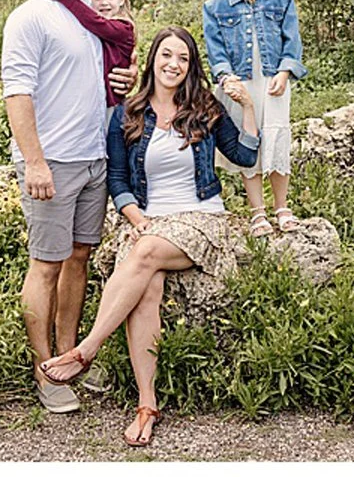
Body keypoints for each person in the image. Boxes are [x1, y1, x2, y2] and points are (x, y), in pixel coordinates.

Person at [40, 26, 259, 447]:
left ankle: (85, 351)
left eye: (183, 58)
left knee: (144, 256)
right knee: (148, 284)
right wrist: (137, 219)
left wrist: (247, 107)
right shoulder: (127, 113)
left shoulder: (206, 108)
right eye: (166, 56)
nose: (174, 65)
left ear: (191, 66)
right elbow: (118, 180)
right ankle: (147, 404)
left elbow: (245, 155)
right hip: (146, 221)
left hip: (199, 219)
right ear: (153, 60)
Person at [0, 0, 110, 413]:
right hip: (53, 163)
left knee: (79, 259)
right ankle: (44, 370)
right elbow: (16, 92)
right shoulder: (31, 17)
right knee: (45, 265)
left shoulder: (89, 18)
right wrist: (35, 162)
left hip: (95, 159)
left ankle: (70, 356)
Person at [201, 0, 307, 236]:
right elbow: (215, 49)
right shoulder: (216, 5)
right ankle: (257, 211)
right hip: (240, 84)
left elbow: (293, 41)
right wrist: (227, 78)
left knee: (275, 139)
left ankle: (281, 206)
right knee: (250, 140)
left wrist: (285, 72)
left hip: (274, 81)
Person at [41, 0, 136, 108]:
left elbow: (95, 22)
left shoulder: (124, 28)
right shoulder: (90, 25)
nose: (104, 2)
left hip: (112, 104)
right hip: (90, 102)